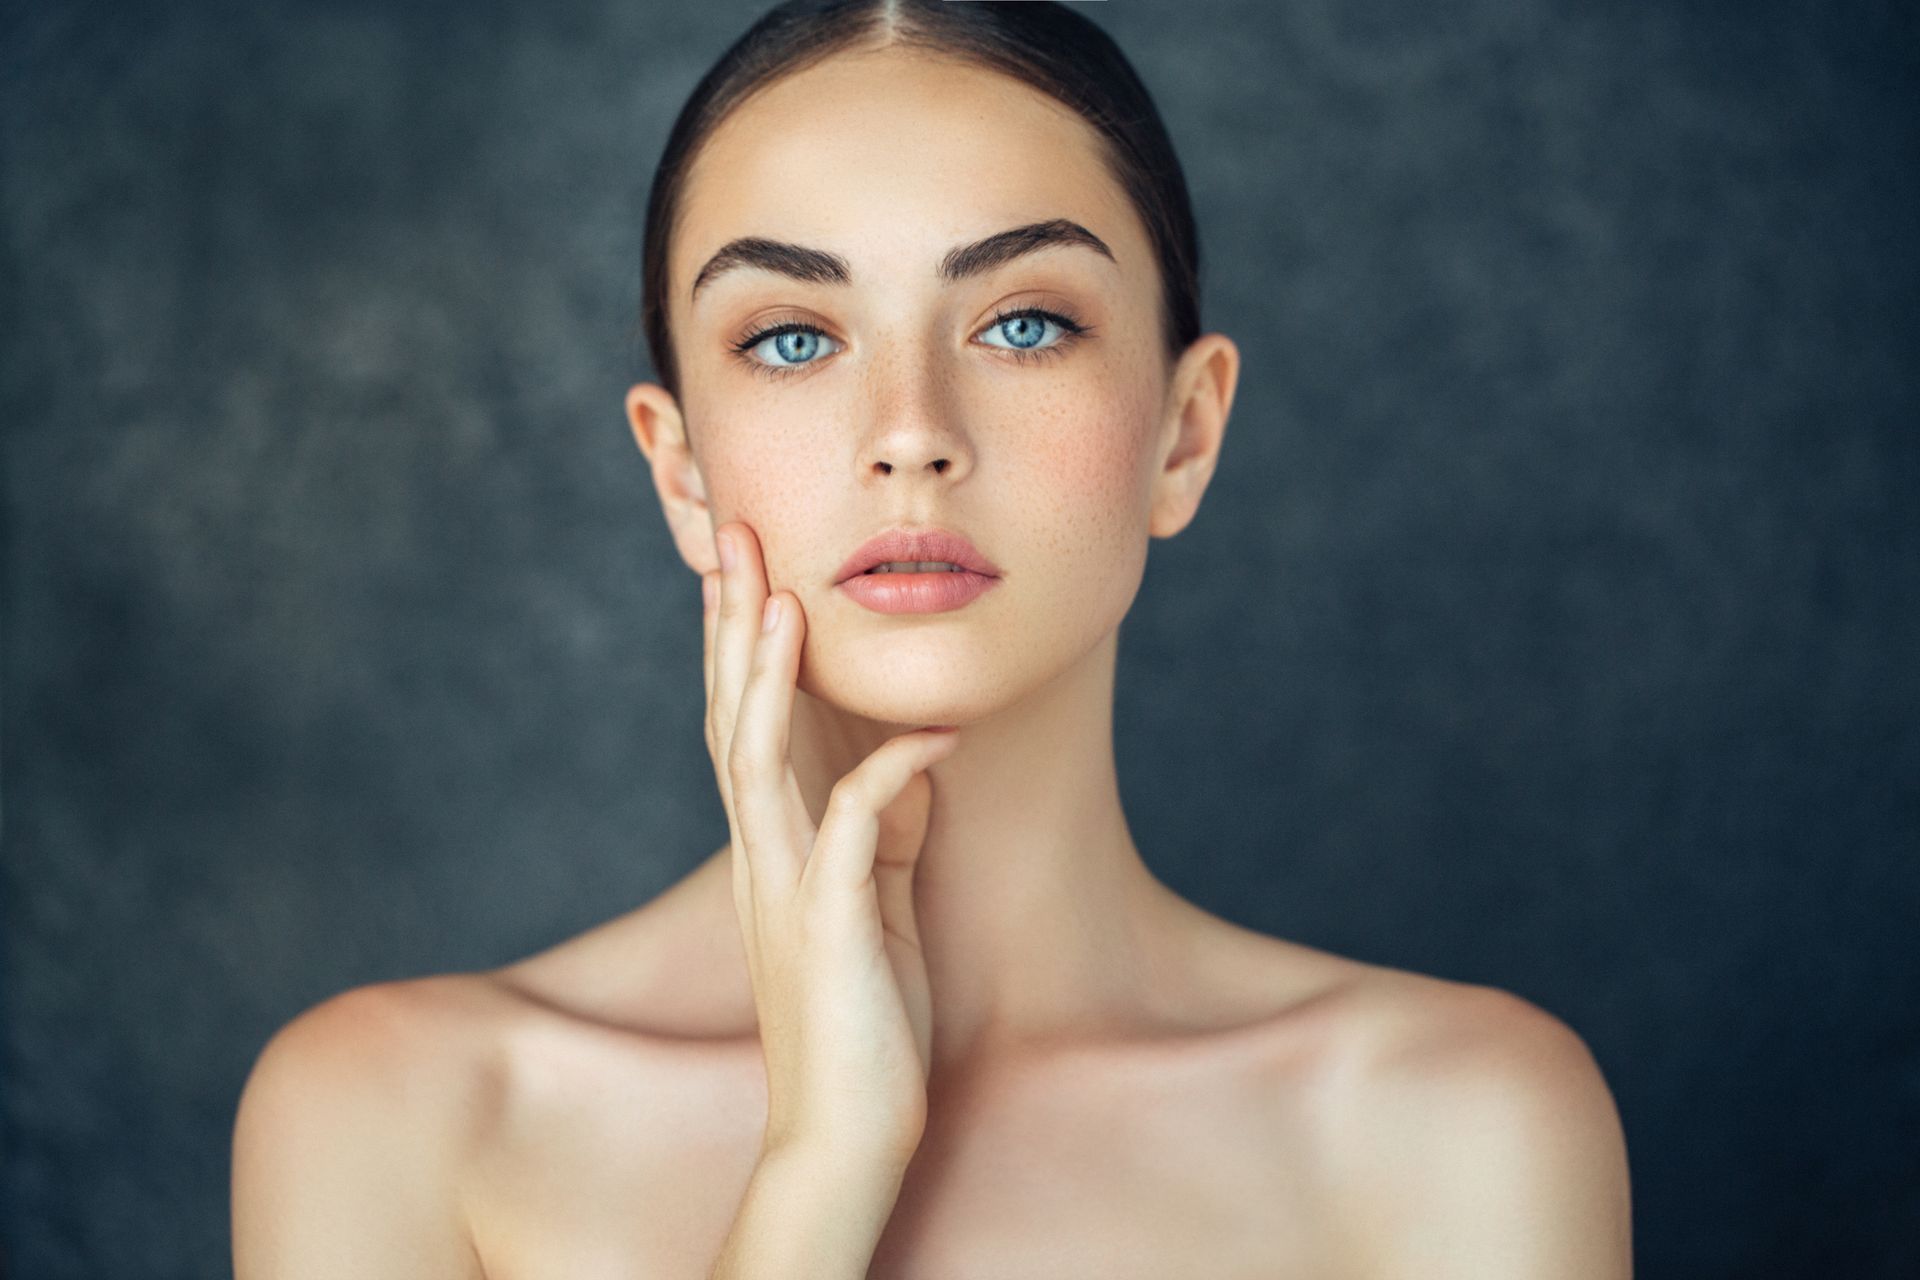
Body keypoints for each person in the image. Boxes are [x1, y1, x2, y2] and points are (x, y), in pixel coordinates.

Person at [231, 2, 1633, 1275]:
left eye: (1024, 323)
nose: (910, 432)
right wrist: (819, 1171)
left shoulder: (1457, 1126)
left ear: (1183, 434)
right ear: (680, 472)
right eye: (791, 338)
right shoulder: (401, 1114)